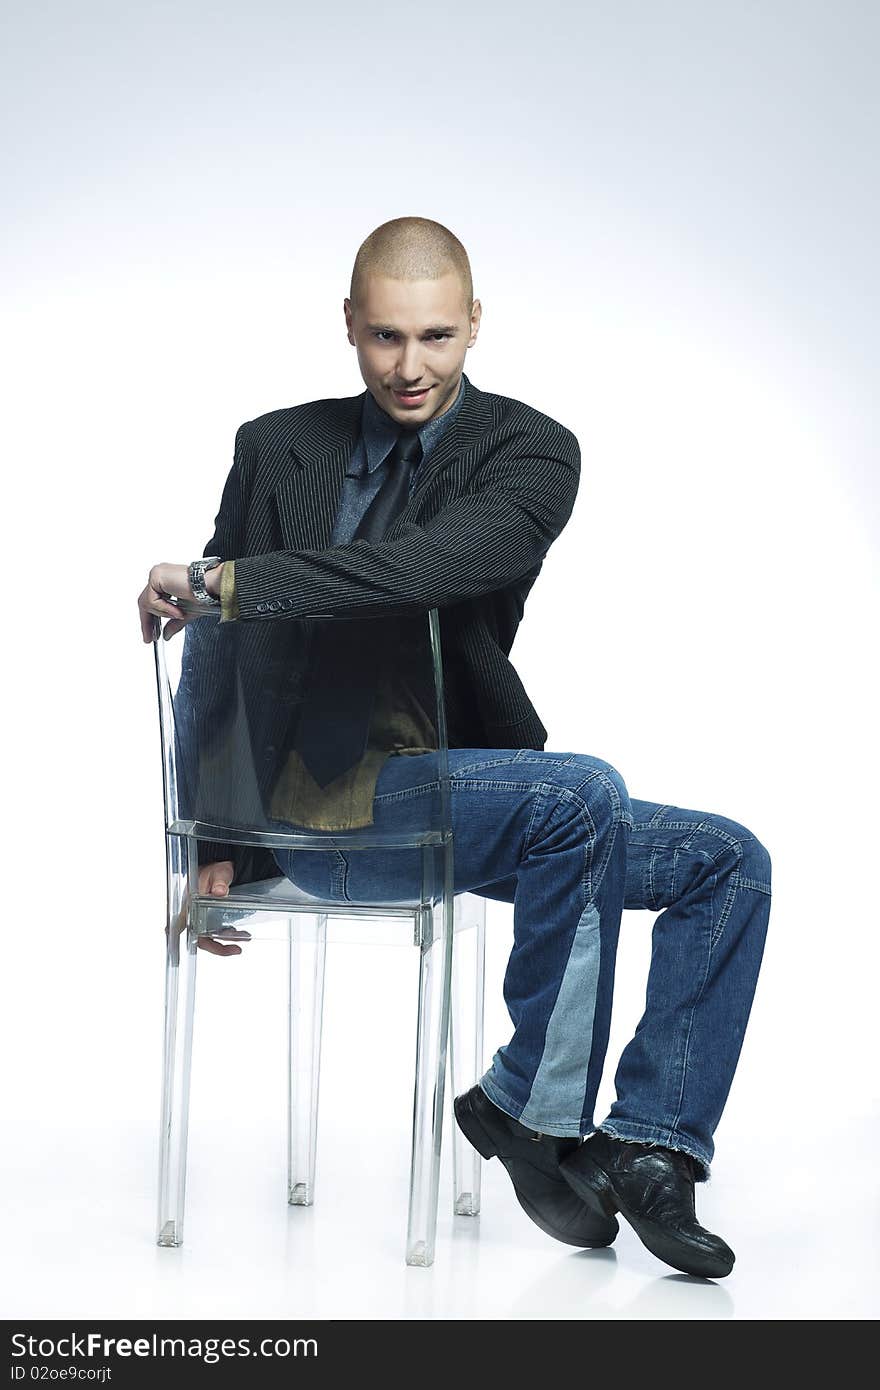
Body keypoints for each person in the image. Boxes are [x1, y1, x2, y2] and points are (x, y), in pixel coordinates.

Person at [138, 216, 771, 1280]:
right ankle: (530, 1105)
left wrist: (232, 579)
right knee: (580, 794)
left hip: (461, 791)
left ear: (474, 324)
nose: (409, 366)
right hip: (322, 815)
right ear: (349, 324)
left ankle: (653, 1144)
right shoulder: (277, 446)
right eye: (385, 337)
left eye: (435, 336)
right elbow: (218, 663)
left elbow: (427, 566)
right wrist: (212, 844)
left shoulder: (530, 451)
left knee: (728, 857)